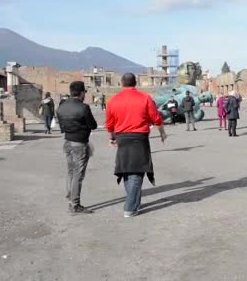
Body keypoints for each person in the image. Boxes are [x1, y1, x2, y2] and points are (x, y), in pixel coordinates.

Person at [105, 73, 167, 218]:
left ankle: (135, 202)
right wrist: (162, 133)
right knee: (137, 171)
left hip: (122, 138)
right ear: (136, 83)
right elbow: (156, 118)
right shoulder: (144, 98)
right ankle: (130, 207)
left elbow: (109, 124)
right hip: (139, 138)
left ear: (121, 83)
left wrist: (112, 137)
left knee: (127, 170)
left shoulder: (112, 101)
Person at [57, 81, 98, 214]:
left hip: (67, 142)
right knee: (78, 175)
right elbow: (93, 125)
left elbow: (61, 125)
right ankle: (75, 205)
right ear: (81, 93)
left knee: (70, 172)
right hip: (79, 143)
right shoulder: (84, 107)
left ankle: (70, 197)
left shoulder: (62, 106)